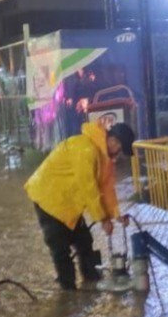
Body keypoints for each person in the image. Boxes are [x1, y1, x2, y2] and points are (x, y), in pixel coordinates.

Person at [25, 122, 137, 290]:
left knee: (84, 241)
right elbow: (88, 188)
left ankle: (91, 283)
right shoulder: (85, 148)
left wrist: (115, 215)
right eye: (120, 148)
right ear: (113, 141)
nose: (119, 154)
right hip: (48, 200)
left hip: (68, 204)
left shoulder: (104, 158)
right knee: (61, 250)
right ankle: (68, 294)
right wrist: (102, 219)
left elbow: (106, 189)